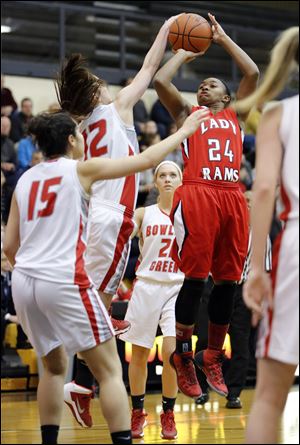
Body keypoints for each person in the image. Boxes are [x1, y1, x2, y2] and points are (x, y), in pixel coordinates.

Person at [3, 108, 209, 445]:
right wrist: (185, 129)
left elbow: (11, 245)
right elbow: (147, 159)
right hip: (62, 278)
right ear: (71, 140)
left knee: (53, 369)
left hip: (25, 282)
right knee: (111, 371)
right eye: (80, 134)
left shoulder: (26, 178)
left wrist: (32, 276)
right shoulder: (81, 169)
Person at [55, 14, 182, 427]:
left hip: (109, 216)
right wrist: (166, 30)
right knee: (100, 304)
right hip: (110, 218)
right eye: (98, 82)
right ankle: (76, 385)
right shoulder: (116, 108)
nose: (106, 84)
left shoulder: (86, 123)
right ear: (95, 94)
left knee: (101, 303)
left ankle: (79, 383)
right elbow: (147, 68)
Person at [153, 12, 259, 399]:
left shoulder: (237, 115)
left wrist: (223, 38)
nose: (203, 87)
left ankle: (212, 354)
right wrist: (182, 51)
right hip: (197, 193)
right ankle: (184, 354)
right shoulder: (187, 114)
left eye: (211, 85)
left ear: (227, 97)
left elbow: (254, 74)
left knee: (229, 281)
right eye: (201, 85)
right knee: (196, 278)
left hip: (232, 196)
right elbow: (161, 80)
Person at [234, 26, 299, 444]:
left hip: (295, 244)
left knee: (271, 396)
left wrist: (256, 267)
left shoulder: (279, 113)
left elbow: (261, 190)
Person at [119, 161, 184, 440]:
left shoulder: (188, 214)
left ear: (181, 181)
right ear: (155, 182)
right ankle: (137, 411)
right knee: (140, 354)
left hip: (176, 288)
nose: (168, 179)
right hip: (146, 286)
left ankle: (168, 413)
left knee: (173, 354)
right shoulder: (145, 213)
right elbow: (121, 236)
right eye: (163, 175)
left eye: (173, 175)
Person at [195, 191, 272, 409]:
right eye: (244, 201)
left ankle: (234, 393)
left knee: (241, 344)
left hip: (243, 291)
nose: (247, 205)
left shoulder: (261, 234)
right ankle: (201, 389)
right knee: (203, 340)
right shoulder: (221, 226)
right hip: (216, 287)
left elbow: (264, 272)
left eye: (251, 202)